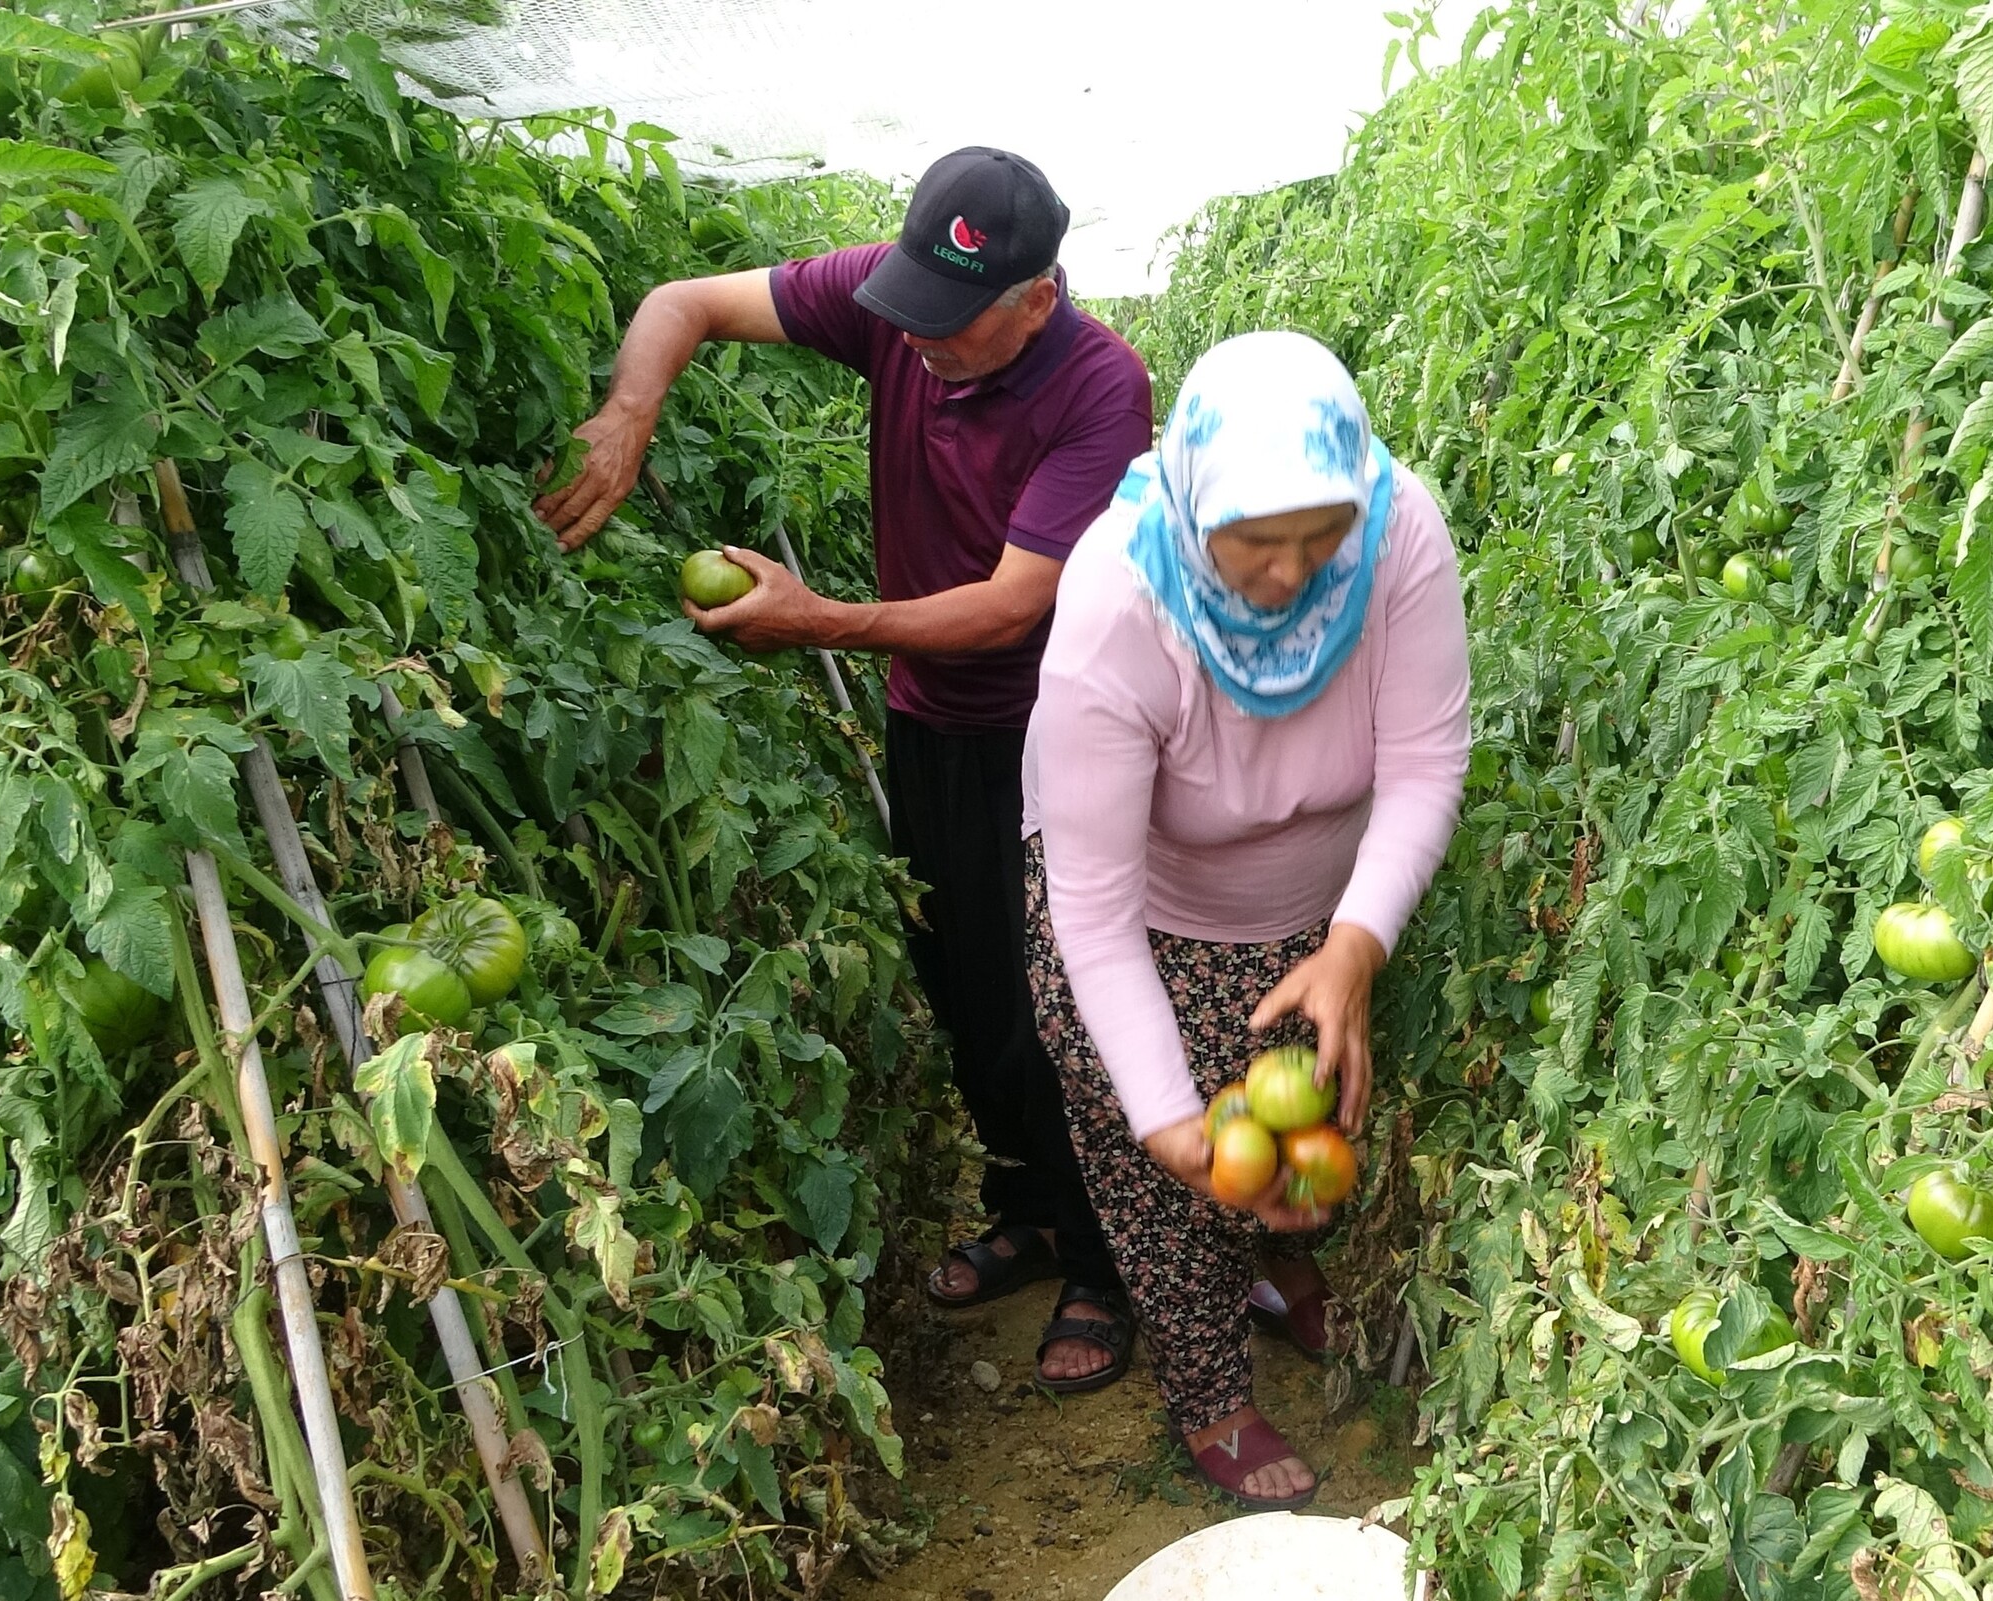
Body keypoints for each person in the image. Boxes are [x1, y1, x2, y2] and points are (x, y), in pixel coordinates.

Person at [534, 148, 1151, 1394]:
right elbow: (684, 303)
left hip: (1054, 732)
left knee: (1063, 1002)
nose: (917, 344)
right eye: (911, 310)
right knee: (965, 978)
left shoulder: (1099, 387)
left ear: (1036, 297)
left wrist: (816, 619)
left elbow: (1007, 606)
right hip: (930, 720)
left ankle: (1104, 1258)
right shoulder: (900, 301)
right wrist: (629, 414)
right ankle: (1030, 1209)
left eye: (953, 323)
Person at [1023, 331, 1470, 1509]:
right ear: (1191, 508)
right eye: (1255, 545)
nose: (1291, 574)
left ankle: (1279, 1269)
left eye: (1319, 540)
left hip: (1314, 913)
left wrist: (1354, 944)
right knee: (1168, 1177)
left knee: (1300, 1123)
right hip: (1141, 917)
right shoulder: (1117, 600)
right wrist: (1169, 1121)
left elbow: (1423, 763)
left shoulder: (1396, 529)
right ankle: (1210, 1390)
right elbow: (1095, 912)